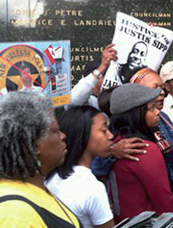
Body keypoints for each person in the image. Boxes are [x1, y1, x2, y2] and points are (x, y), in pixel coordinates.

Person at [0, 91, 81, 227]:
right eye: (55, 131)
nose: (63, 136)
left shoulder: (35, 189)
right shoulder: (16, 215)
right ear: (33, 144)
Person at [108, 83, 173, 222]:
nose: (158, 112)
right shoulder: (143, 149)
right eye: (151, 108)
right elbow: (163, 199)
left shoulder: (111, 145)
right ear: (135, 114)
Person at [46, 106, 115, 228]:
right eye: (104, 130)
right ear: (83, 135)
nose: (110, 136)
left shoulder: (49, 177)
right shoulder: (92, 188)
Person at [68, 43, 118, 109]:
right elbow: (73, 100)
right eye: (105, 75)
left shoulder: (117, 100)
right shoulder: (88, 101)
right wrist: (103, 66)